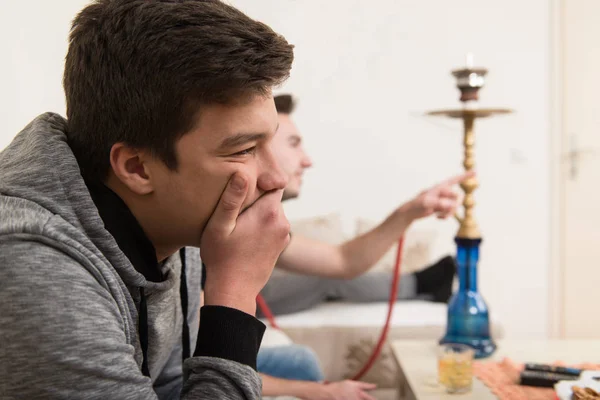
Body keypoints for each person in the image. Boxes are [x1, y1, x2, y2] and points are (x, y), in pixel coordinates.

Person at [0, 1, 294, 399]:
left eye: (269, 140)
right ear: (137, 168)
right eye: (242, 150)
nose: (277, 178)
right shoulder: (31, 267)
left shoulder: (175, 221)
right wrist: (233, 290)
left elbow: (169, 385)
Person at [254, 95, 468, 399]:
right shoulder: (207, 241)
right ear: (256, 148)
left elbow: (343, 261)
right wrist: (318, 391)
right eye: (294, 143)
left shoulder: (261, 226)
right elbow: (200, 358)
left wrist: (410, 211)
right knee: (301, 364)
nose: (308, 160)